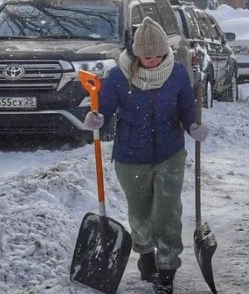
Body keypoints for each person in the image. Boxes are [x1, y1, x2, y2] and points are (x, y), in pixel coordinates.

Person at [85, 16, 209, 294]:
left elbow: (186, 107)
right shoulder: (119, 75)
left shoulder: (176, 73)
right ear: (135, 53)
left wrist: (193, 125)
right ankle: (146, 254)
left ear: (165, 51)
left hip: (170, 152)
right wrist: (97, 118)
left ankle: (167, 269)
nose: (151, 61)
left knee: (167, 213)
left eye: (156, 55)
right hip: (131, 155)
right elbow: (104, 108)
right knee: (140, 214)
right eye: (144, 56)